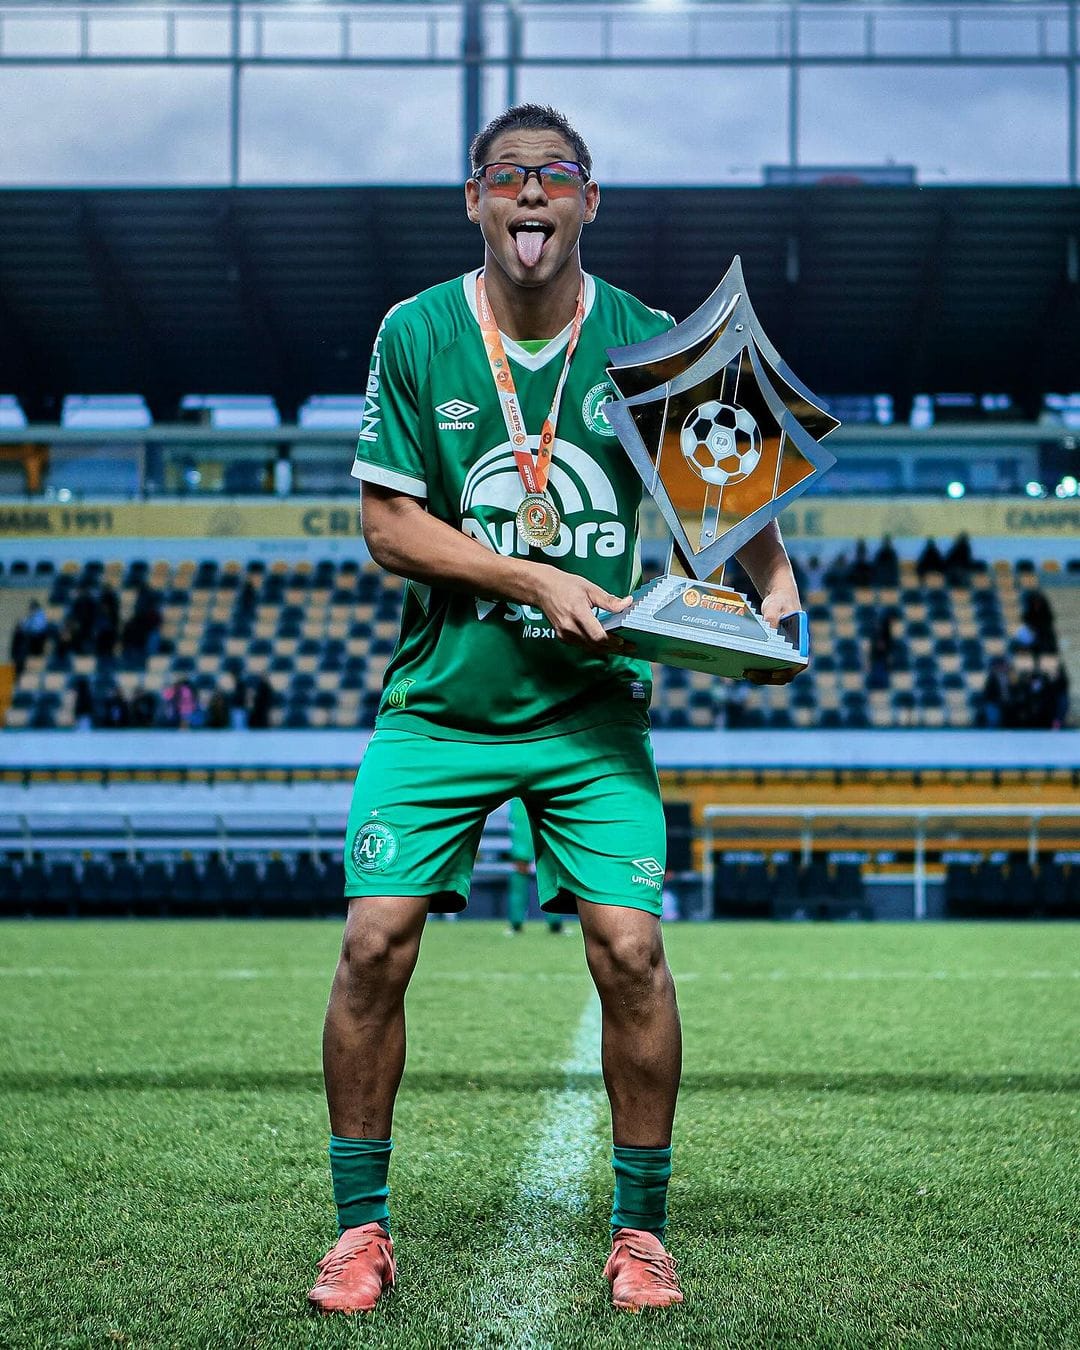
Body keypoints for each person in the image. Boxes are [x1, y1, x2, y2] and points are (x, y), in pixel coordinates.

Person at [308, 104, 804, 1318]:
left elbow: (737, 514)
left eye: (557, 177)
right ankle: (360, 1230)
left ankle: (642, 1235)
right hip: (442, 705)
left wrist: (779, 598)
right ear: (474, 201)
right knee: (373, 944)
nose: (532, 196)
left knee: (632, 954)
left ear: (592, 202)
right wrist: (531, 574)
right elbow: (388, 527)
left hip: (590, 714)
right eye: (506, 178)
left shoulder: (648, 342)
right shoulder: (416, 333)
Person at [505, 796, 562, 935]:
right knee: (521, 864)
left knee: (550, 862)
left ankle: (555, 922)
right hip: (521, 800)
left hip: (547, 796)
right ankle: (516, 923)